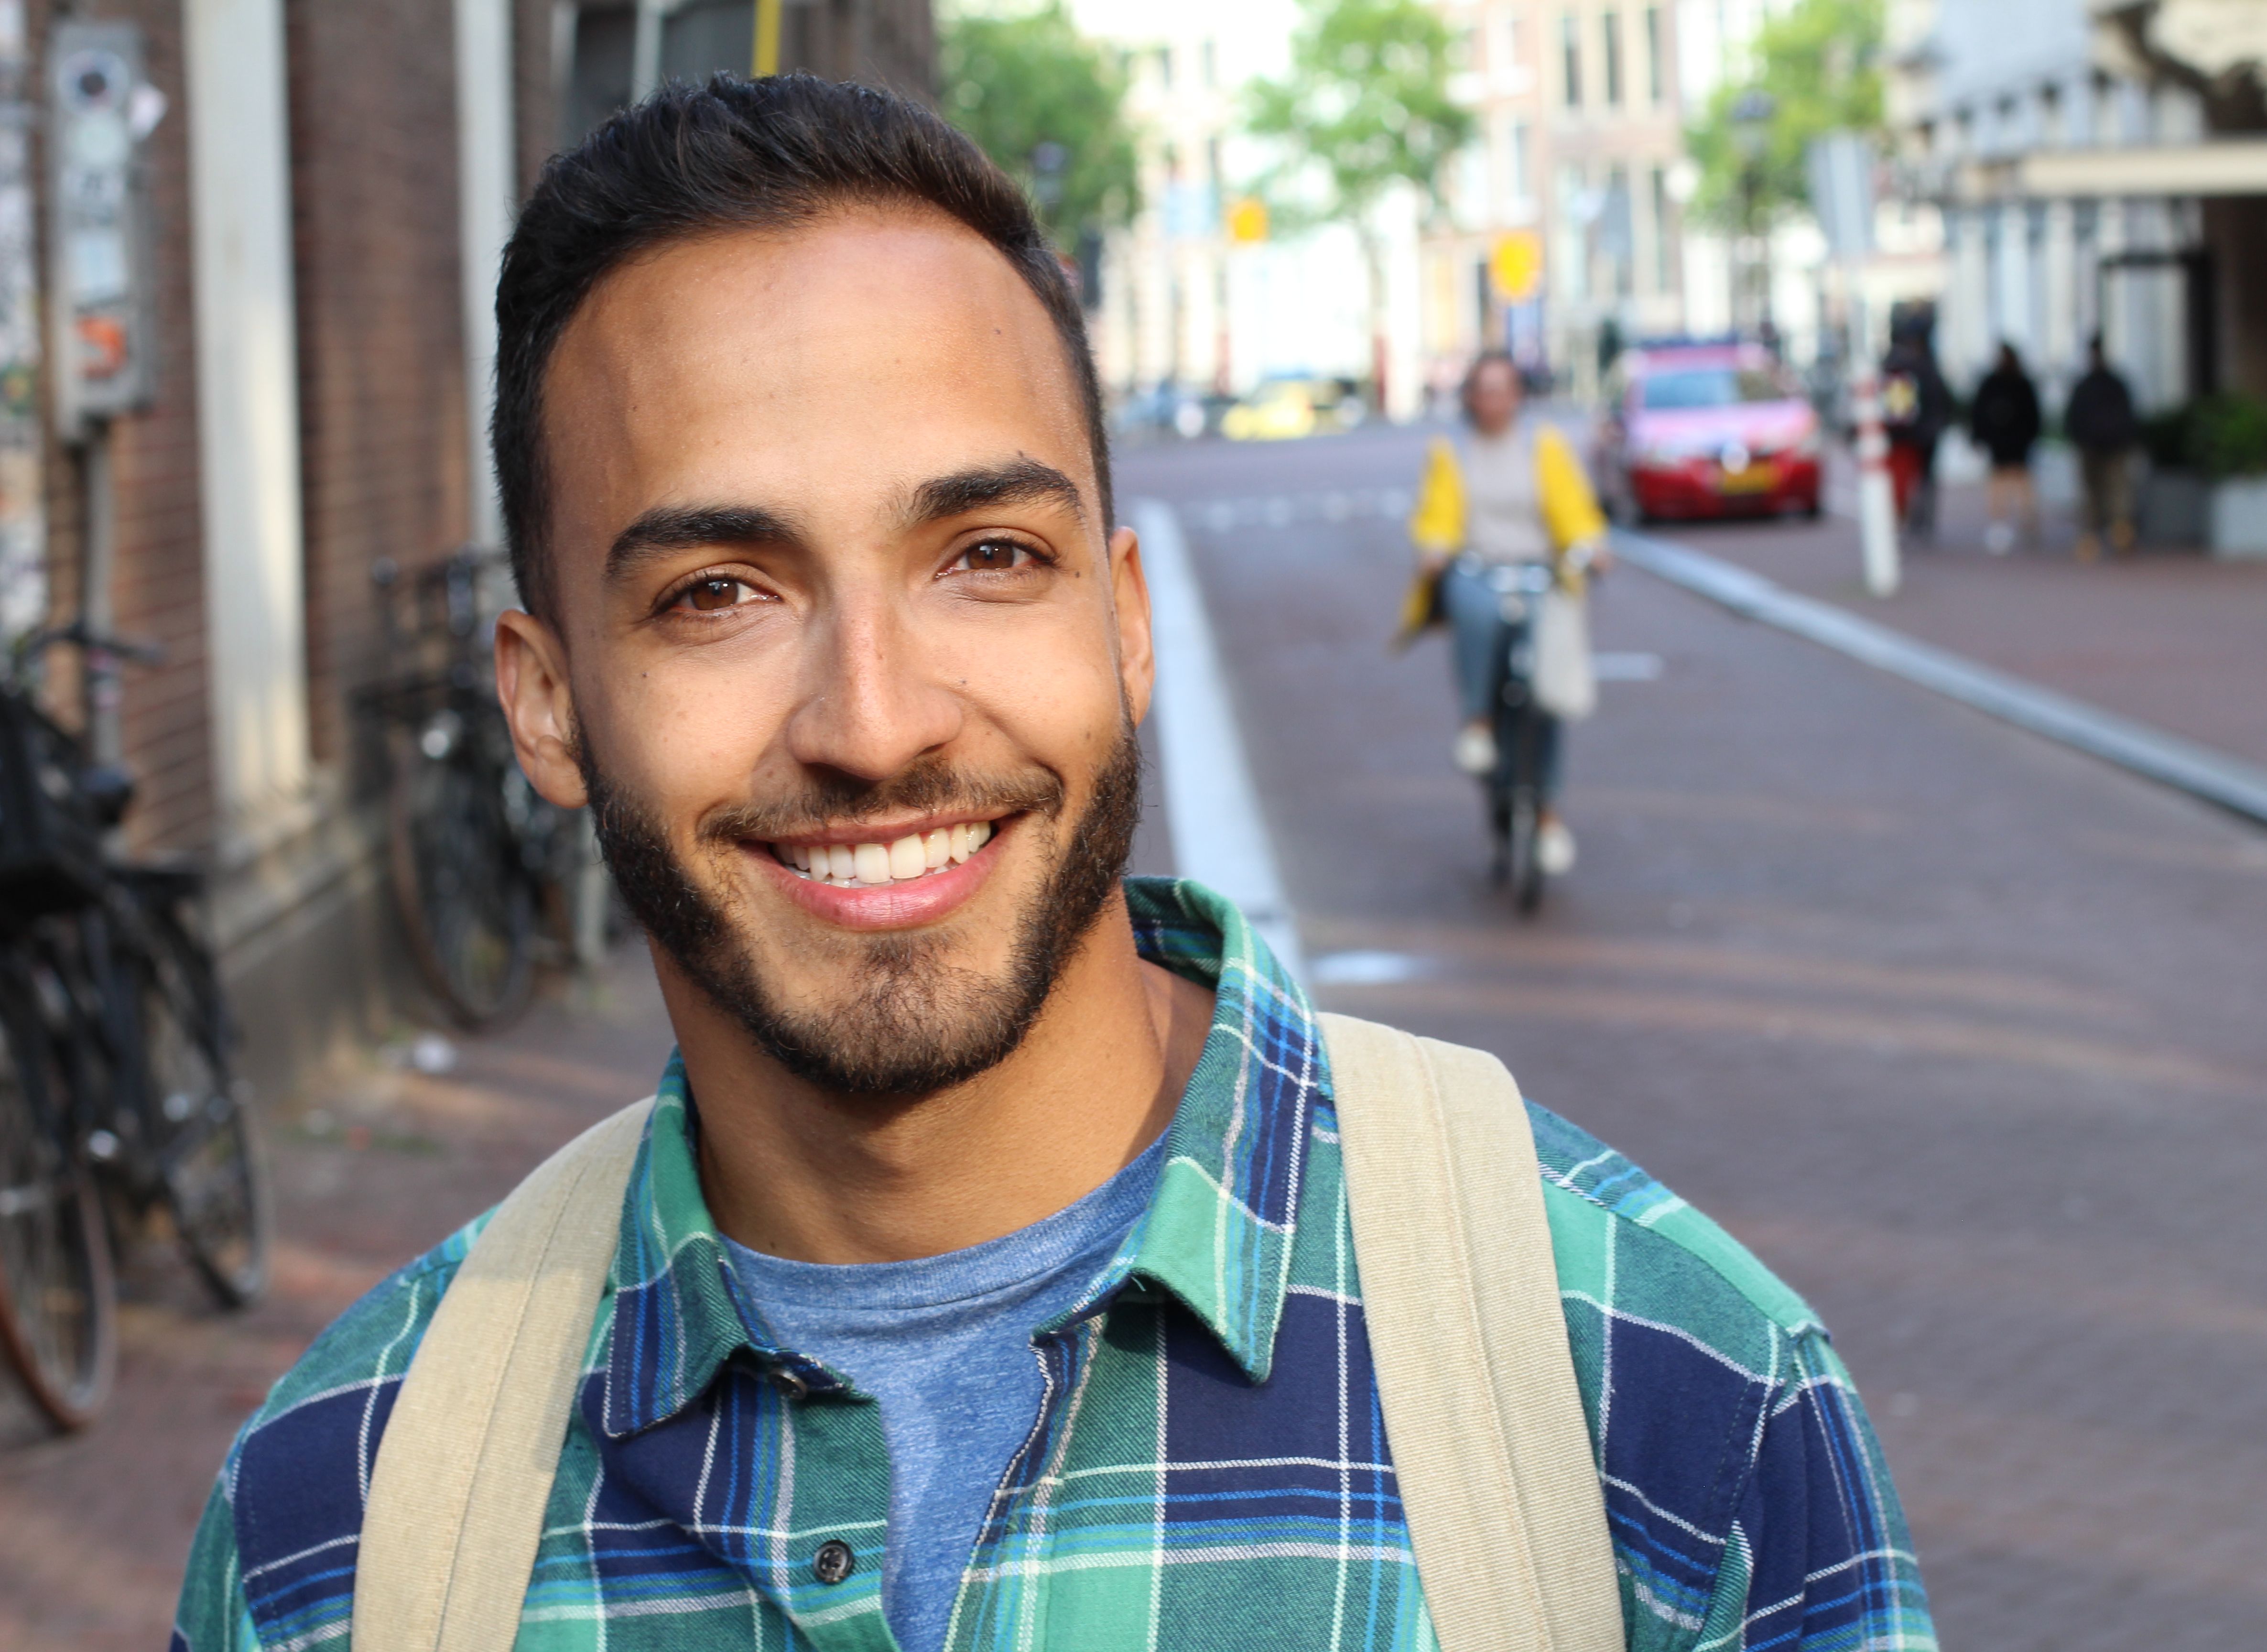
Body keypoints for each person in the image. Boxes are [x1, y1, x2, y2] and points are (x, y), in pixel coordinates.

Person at [172, 80, 1934, 1652]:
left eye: (987, 554)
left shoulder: (1654, 1406)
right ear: (548, 708)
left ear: (1126, 621)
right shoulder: (337, 1540)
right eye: (719, 593)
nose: (874, 722)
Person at [1405, 353, 1606, 879]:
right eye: (1484, 390)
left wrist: (1590, 545)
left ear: (1519, 395)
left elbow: (1575, 510)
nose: (1494, 401)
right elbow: (1437, 516)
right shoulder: (1452, 452)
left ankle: (1550, 814)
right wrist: (1434, 549)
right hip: (1479, 568)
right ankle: (1478, 718)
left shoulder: (1544, 448)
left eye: (1504, 389)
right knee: (1474, 608)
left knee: (1550, 689)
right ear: (1470, 397)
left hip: (1538, 570)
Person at [2063, 334, 2139, 562]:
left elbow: (2073, 417)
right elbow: (2129, 416)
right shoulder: (2115, 384)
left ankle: (2095, 540)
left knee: (2094, 494)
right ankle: (2118, 537)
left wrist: (2077, 438)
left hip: (2095, 446)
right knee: (2115, 491)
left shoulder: (2086, 385)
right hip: (2109, 445)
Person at [1879, 310, 1952, 540]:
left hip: (1908, 435)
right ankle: (1918, 523)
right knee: (1919, 481)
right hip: (1918, 434)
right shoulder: (1923, 364)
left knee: (1905, 481)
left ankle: (1910, 523)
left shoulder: (1896, 364)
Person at [1968, 342, 2043, 553]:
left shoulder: (2021, 384)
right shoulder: (1993, 383)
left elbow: (2033, 416)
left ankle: (2028, 523)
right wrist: (1979, 436)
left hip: (2017, 445)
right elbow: (1980, 412)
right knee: (1999, 486)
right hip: (2000, 445)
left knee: (2021, 485)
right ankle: (2000, 525)